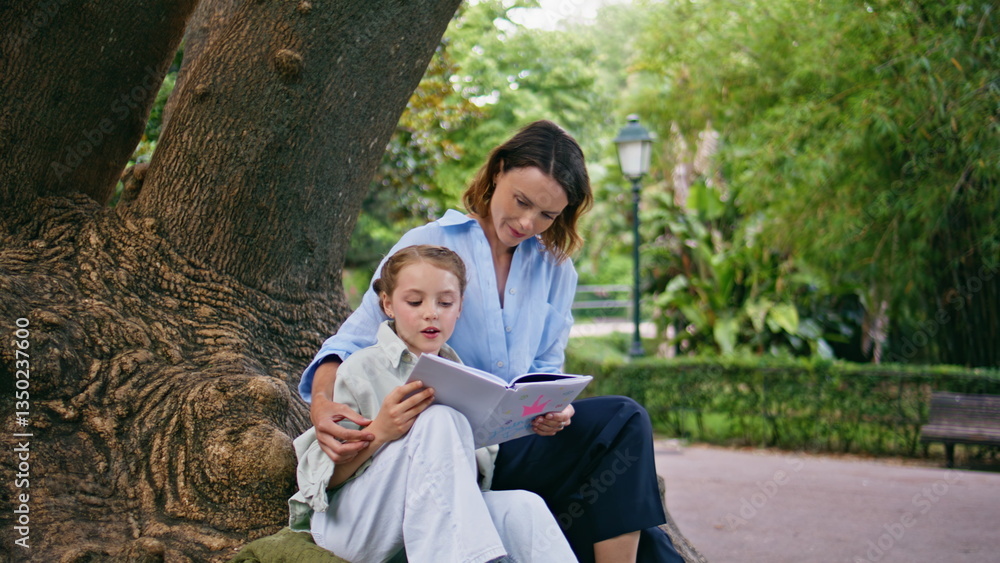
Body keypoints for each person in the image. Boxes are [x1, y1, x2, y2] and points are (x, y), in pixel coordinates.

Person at [301, 120, 683, 563]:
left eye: (547, 215)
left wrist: (556, 409)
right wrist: (322, 405)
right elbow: (349, 342)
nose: (527, 222)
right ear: (498, 170)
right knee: (626, 426)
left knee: (642, 517)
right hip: (448, 448)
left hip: (522, 443)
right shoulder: (429, 245)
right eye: (521, 202)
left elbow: (547, 367)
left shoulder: (556, 270)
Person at [289, 244, 576, 562]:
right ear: (388, 304)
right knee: (438, 418)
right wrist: (381, 432)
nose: (431, 312)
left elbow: (470, 478)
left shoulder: (463, 376)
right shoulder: (359, 368)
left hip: (423, 526)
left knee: (525, 507)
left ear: (460, 307)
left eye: (445, 302)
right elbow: (326, 480)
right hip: (353, 528)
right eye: (415, 301)